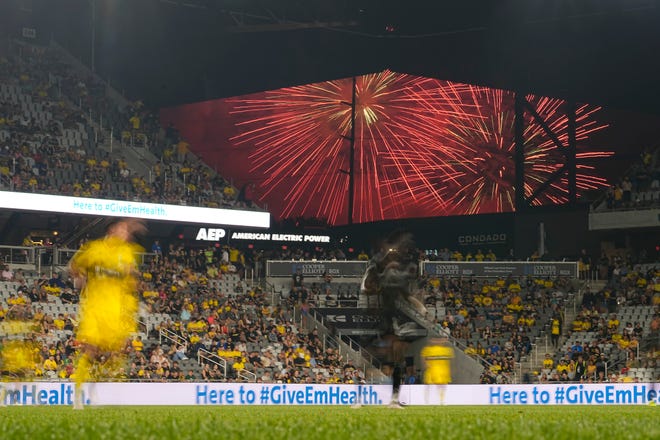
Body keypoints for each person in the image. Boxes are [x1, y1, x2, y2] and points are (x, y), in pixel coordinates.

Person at [68, 218, 146, 409]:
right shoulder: (94, 249)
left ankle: (94, 390)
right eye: (123, 229)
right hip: (94, 308)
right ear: (112, 230)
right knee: (90, 349)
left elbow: (131, 278)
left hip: (115, 312)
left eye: (128, 232)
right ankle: (77, 395)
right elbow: (74, 267)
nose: (126, 234)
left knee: (112, 355)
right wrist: (80, 278)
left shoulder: (126, 252)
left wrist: (134, 287)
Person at [421, 337, 454, 404]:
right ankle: (427, 401)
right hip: (431, 371)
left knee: (442, 386)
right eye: (436, 340)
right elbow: (423, 359)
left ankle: (442, 401)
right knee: (429, 386)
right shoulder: (427, 349)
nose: (438, 341)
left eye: (440, 340)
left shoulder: (448, 350)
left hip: (443, 372)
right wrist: (426, 364)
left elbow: (450, 361)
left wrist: (450, 371)